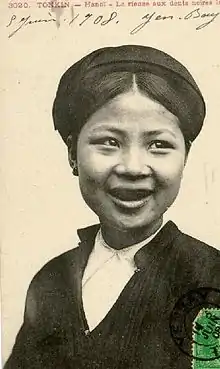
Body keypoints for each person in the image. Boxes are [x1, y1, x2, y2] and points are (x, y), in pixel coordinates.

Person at [4, 45, 220, 369]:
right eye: (109, 142)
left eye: (159, 145)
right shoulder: (51, 281)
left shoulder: (211, 278)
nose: (133, 167)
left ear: (185, 157)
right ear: (72, 153)